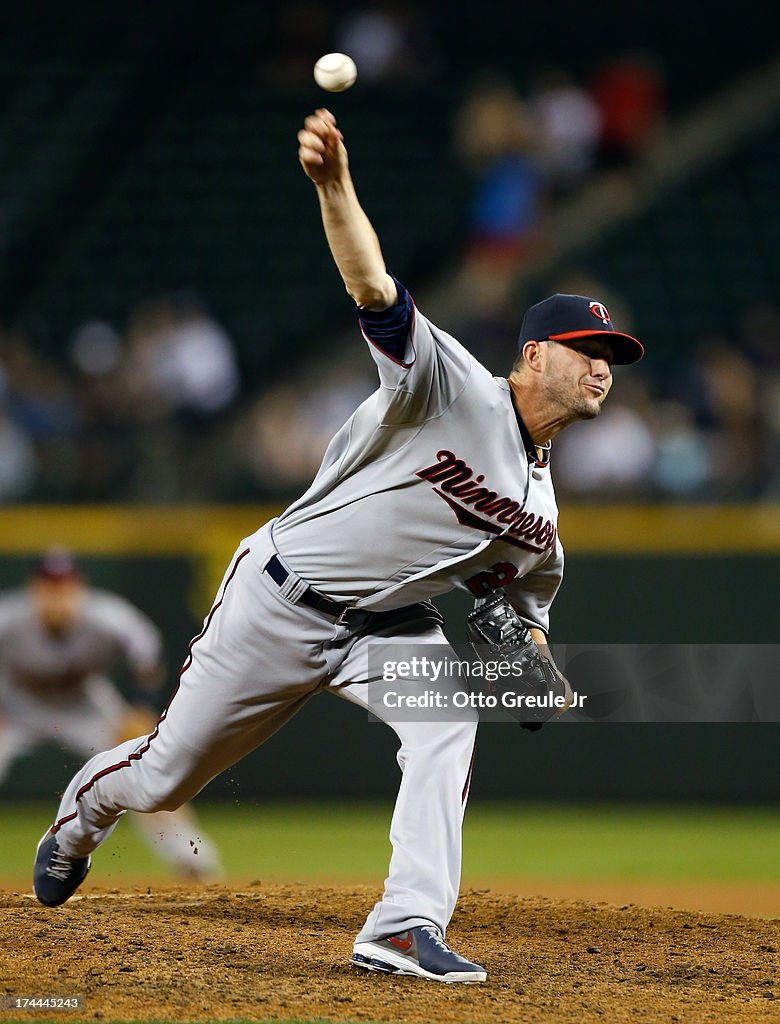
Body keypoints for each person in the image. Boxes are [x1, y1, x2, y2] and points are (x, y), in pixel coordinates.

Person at [33, 109, 643, 984]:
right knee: (163, 779)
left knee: (448, 721)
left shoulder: (541, 515)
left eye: (612, 356)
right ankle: (80, 819)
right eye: (585, 350)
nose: (601, 367)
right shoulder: (449, 387)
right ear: (533, 354)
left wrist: (532, 652)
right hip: (281, 597)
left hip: (387, 628)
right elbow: (373, 285)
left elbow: (519, 603)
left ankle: (402, 927)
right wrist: (333, 185)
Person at [1, 548, 221, 879]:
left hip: (85, 706)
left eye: (65, 586)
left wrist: (139, 704)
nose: (57, 595)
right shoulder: (8, 619)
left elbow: (147, 654)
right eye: (49, 586)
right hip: (18, 707)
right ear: (34, 589)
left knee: (144, 759)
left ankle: (192, 860)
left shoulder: (109, 617)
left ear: (79, 588)